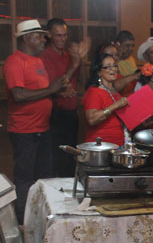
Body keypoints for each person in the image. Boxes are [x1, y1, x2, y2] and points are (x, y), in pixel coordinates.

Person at [4, 19, 69, 223]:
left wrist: (60, 92)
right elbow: (19, 95)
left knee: (45, 177)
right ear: (26, 38)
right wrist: (52, 89)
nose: (44, 39)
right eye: (40, 36)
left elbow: (40, 92)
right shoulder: (15, 62)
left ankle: (43, 219)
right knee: (25, 180)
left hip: (43, 128)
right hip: (24, 131)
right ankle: (24, 223)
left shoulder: (38, 61)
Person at [40, 18, 89, 177]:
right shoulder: (45, 56)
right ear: (49, 35)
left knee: (70, 159)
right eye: (58, 35)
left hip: (71, 113)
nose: (63, 39)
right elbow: (56, 86)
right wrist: (73, 65)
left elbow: (83, 80)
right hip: (55, 114)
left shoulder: (69, 55)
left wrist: (80, 62)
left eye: (65, 35)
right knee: (55, 160)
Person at [83, 54, 129, 146]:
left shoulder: (115, 92)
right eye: (108, 67)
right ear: (99, 72)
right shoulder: (94, 92)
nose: (113, 69)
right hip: (101, 146)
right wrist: (116, 105)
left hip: (118, 144)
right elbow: (92, 119)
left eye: (114, 65)